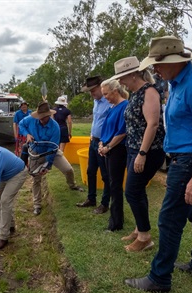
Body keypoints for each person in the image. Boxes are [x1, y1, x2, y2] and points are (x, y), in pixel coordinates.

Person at [124, 36, 192, 293]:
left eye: (158, 64)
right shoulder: (177, 84)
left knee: (169, 220)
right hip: (183, 159)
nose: (154, 70)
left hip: (191, 161)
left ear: (175, 62)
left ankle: (159, 278)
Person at [109, 56, 166, 252]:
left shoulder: (149, 92)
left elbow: (153, 124)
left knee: (132, 190)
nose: (120, 82)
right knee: (137, 190)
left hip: (148, 151)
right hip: (133, 149)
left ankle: (145, 238)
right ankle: (139, 228)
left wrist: (142, 153)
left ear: (133, 75)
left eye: (122, 77)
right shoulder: (134, 94)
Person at [18, 101, 84, 215]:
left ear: (49, 116)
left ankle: (72, 185)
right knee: (36, 178)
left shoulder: (55, 127)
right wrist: (27, 134)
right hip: (35, 150)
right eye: (40, 117)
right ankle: (37, 205)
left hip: (51, 151)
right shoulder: (31, 119)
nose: (41, 120)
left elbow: (52, 148)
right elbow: (21, 124)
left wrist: (47, 165)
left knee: (68, 169)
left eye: (43, 118)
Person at [76, 76, 112, 214]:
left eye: (94, 90)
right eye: (90, 91)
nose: (92, 94)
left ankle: (104, 203)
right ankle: (91, 199)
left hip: (104, 142)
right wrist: (92, 135)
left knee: (105, 174)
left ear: (101, 87)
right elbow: (96, 120)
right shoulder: (96, 102)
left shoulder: (109, 102)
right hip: (94, 141)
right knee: (91, 171)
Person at [98, 79, 128, 232]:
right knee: (111, 183)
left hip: (117, 150)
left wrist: (108, 147)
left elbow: (122, 132)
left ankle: (116, 223)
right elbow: (105, 129)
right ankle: (116, 218)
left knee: (115, 185)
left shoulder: (124, 107)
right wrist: (101, 144)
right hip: (108, 149)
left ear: (115, 91)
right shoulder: (112, 107)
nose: (105, 97)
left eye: (106, 94)